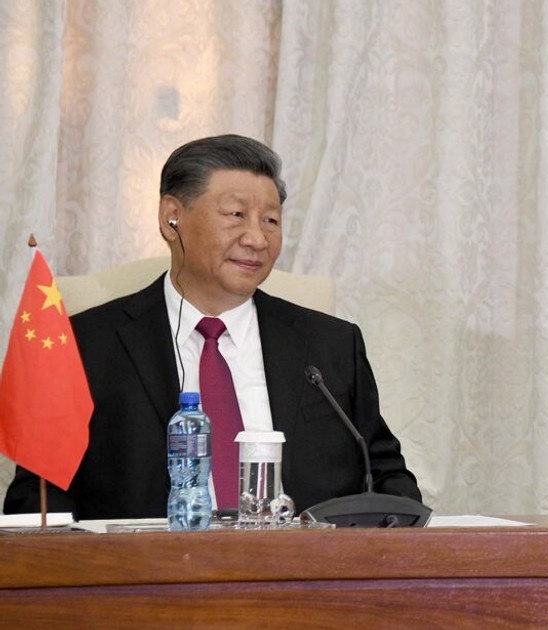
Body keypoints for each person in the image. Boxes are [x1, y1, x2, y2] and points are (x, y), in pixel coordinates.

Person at [3, 134, 422, 519]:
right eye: (236, 214)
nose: (257, 239)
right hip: (142, 573)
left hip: (302, 572)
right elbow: (39, 499)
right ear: (172, 218)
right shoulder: (88, 345)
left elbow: (386, 477)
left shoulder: (330, 346)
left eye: (271, 221)